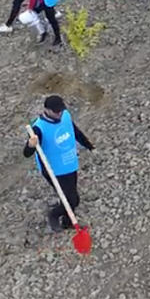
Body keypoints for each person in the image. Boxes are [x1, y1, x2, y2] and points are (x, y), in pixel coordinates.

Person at [25, 95, 93, 231]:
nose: (59, 114)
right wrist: (30, 145)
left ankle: (67, 222)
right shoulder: (38, 128)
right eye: (56, 111)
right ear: (47, 110)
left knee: (71, 197)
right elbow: (27, 153)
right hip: (53, 170)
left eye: (61, 110)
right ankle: (54, 215)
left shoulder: (65, 116)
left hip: (69, 164)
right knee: (72, 199)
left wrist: (89, 145)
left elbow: (75, 131)